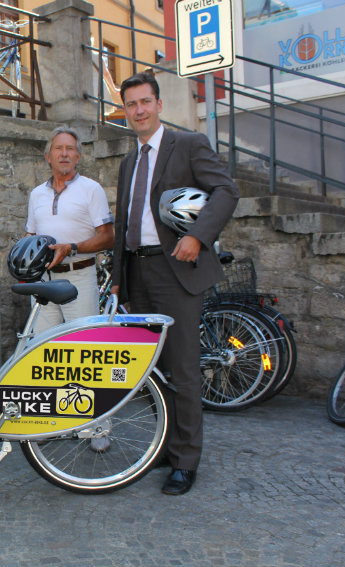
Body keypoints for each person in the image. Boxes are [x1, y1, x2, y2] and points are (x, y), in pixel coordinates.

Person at [110, 71, 239, 496]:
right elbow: (125, 223)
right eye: (131, 104)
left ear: (159, 104)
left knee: (182, 370)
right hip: (138, 274)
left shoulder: (188, 145)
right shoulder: (129, 161)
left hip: (176, 274)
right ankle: (166, 446)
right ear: (125, 110)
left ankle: (186, 461)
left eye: (145, 102)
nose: (139, 110)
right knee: (156, 371)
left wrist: (198, 236)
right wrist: (117, 277)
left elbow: (225, 190)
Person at [25, 126, 115, 335]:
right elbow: (30, 235)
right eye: (58, 148)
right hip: (43, 279)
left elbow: (108, 237)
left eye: (70, 149)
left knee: (83, 342)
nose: (64, 154)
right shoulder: (36, 194)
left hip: (79, 277)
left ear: (78, 156)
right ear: (48, 156)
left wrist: (71, 248)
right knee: (42, 344)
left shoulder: (91, 189)